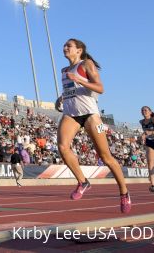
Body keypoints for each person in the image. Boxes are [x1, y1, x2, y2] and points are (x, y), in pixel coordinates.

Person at [55, 39, 130, 213]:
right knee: (63, 147)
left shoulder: (86, 64)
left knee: (106, 157)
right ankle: (83, 181)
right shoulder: (64, 70)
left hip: (90, 115)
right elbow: (70, 89)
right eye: (64, 45)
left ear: (79, 50)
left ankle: (124, 192)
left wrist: (79, 79)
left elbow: (100, 88)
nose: (65, 48)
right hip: (71, 113)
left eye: (69, 46)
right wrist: (62, 98)